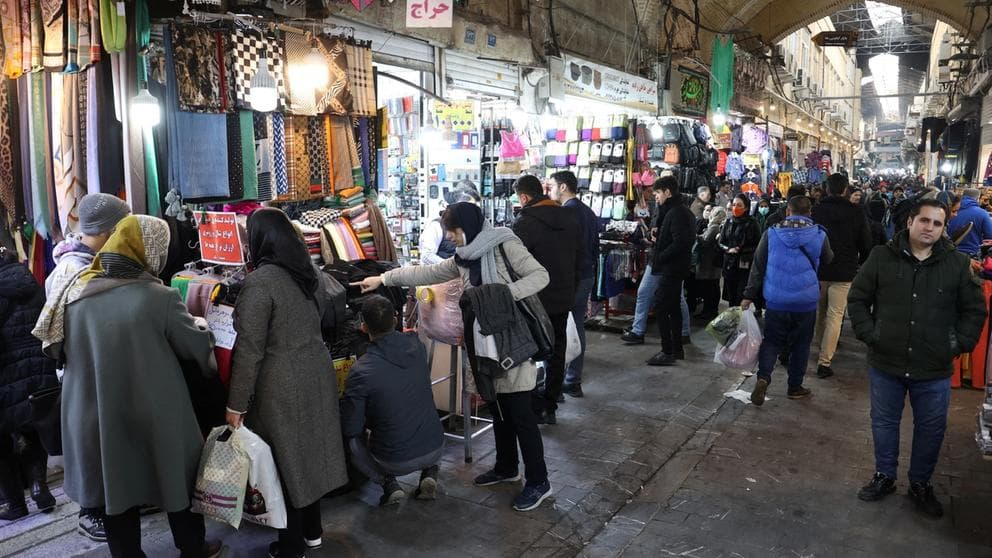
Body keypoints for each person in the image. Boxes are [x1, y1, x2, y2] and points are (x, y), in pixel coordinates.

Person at [352, 202, 553, 512]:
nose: (449, 236)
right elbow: (429, 272)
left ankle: (539, 482)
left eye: (453, 230)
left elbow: (540, 276)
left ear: (468, 226)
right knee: (499, 408)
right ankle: (506, 466)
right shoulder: (463, 258)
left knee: (520, 415)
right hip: (485, 347)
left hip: (512, 343)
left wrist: (500, 296)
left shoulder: (504, 244)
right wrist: (383, 279)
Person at [39, 215, 220, 558]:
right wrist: (203, 328)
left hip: (96, 415)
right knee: (175, 479)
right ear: (149, 249)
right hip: (154, 409)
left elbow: (58, 351)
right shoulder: (158, 297)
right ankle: (193, 549)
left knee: (114, 491)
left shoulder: (76, 295)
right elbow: (196, 349)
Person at [848, 199, 986, 518]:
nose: (930, 228)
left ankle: (920, 483)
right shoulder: (882, 257)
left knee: (931, 428)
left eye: (937, 224)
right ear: (910, 221)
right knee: (884, 423)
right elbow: (858, 299)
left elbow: (974, 309)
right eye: (924, 221)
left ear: (944, 228)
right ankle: (884, 476)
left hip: (933, 367)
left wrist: (957, 343)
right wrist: (872, 334)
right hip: (887, 363)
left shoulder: (955, 264)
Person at [226, 208, 348, 558]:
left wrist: (236, 405)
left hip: (280, 382)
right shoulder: (308, 271)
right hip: (315, 372)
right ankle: (312, 532)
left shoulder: (262, 281)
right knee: (306, 455)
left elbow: (250, 350)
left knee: (285, 464)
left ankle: (291, 545)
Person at [33, 192, 129, 541]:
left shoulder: (70, 262)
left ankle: (99, 508)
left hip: (77, 367)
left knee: (90, 440)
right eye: (122, 226)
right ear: (106, 231)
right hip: (85, 368)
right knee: (91, 442)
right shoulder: (81, 271)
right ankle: (93, 514)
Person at [340, 295, 444, 505]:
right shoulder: (418, 346)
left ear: (364, 326)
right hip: (437, 445)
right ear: (395, 320)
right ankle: (430, 471)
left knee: (352, 440)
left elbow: (351, 426)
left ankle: (388, 483)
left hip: (394, 460)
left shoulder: (362, 370)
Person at [743, 196, 832, 405]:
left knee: (772, 342)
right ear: (810, 212)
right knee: (801, 345)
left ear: (788, 212)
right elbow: (828, 258)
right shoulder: (819, 234)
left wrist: (748, 295)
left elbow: (757, 266)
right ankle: (794, 387)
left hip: (776, 300)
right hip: (806, 302)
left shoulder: (771, 233)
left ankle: (764, 377)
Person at [511, 175, 582, 425]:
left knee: (529, 350)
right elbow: (580, 256)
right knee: (557, 350)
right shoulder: (568, 217)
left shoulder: (525, 222)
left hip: (534, 298)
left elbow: (513, 263)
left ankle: (531, 404)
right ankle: (550, 405)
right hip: (563, 294)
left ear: (524, 197)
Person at [0, 252, 59, 521]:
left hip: (5, 372)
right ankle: (39, 487)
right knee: (35, 427)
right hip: (37, 365)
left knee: (2, 441)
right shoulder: (32, 284)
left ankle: (15, 504)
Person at [810, 173, 873, 379]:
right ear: (845, 189)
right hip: (845, 270)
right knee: (836, 315)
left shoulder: (817, 210)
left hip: (820, 269)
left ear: (827, 189)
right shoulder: (856, 212)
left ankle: (820, 346)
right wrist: (862, 261)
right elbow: (865, 242)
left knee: (820, 312)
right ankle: (825, 360)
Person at [548, 171, 599, 398]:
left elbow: (564, 252)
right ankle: (573, 381)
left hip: (572, 278)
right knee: (576, 327)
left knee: (560, 330)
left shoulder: (565, 214)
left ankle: (557, 386)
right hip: (586, 275)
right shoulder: (588, 212)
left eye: (551, 186)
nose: (549, 191)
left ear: (563, 187)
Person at [645, 176, 695, 366]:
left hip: (672, 269)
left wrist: (660, 256)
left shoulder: (677, 213)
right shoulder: (675, 211)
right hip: (674, 268)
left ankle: (667, 350)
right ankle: (676, 349)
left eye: (658, 193)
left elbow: (681, 243)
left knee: (661, 307)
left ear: (667, 192)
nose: (656, 197)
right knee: (673, 308)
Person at [419, 181, 481, 265]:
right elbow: (426, 256)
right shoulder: (437, 226)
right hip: (442, 275)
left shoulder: (472, 226)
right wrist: (451, 267)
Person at [719, 194, 761, 307]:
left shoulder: (753, 223)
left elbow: (758, 244)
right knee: (731, 297)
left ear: (746, 207)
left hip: (745, 265)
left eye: (739, 205)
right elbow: (721, 242)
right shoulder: (728, 222)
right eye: (734, 205)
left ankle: (742, 322)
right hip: (729, 264)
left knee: (741, 296)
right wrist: (729, 249)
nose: (735, 208)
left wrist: (741, 249)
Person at [693, 206, 727, 320]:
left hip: (709, 262)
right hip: (712, 262)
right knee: (712, 287)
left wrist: (696, 236)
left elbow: (705, 241)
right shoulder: (715, 227)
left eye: (713, 212)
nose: (710, 213)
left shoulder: (714, 227)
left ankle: (709, 311)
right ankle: (710, 310)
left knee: (710, 288)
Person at [947, 187, 992, 256]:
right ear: (977, 198)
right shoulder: (982, 213)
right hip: (972, 253)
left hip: (950, 252)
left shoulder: (951, 210)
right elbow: (989, 236)